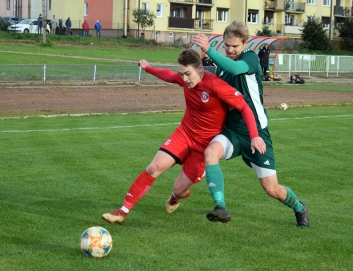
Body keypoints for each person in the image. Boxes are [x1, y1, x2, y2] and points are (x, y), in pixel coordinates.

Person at [101, 49, 266, 224]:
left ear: (200, 68)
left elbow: (245, 108)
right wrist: (147, 67)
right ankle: (122, 212)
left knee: (179, 190)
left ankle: (176, 197)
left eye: (188, 74)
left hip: (205, 146)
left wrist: (254, 136)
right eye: (182, 74)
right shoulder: (183, 79)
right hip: (184, 134)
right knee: (153, 167)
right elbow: (168, 75)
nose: (185, 79)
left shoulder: (217, 85)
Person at [191, 21, 309, 227]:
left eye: (235, 46)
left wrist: (209, 49)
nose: (230, 49)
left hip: (257, 134)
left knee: (272, 189)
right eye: (227, 45)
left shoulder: (250, 58)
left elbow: (236, 69)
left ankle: (299, 207)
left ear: (245, 44)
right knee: (210, 153)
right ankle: (220, 207)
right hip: (234, 132)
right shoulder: (221, 71)